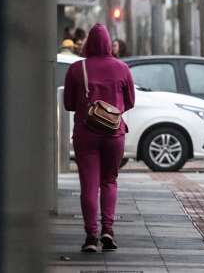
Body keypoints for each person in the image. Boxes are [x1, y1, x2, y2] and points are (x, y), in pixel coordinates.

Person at [63, 24, 135, 253]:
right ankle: (108, 230)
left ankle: (91, 236)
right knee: (109, 181)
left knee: (89, 185)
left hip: (86, 133)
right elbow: (131, 102)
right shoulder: (122, 68)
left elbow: (68, 104)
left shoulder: (77, 68)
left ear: (88, 43)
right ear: (108, 43)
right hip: (114, 134)